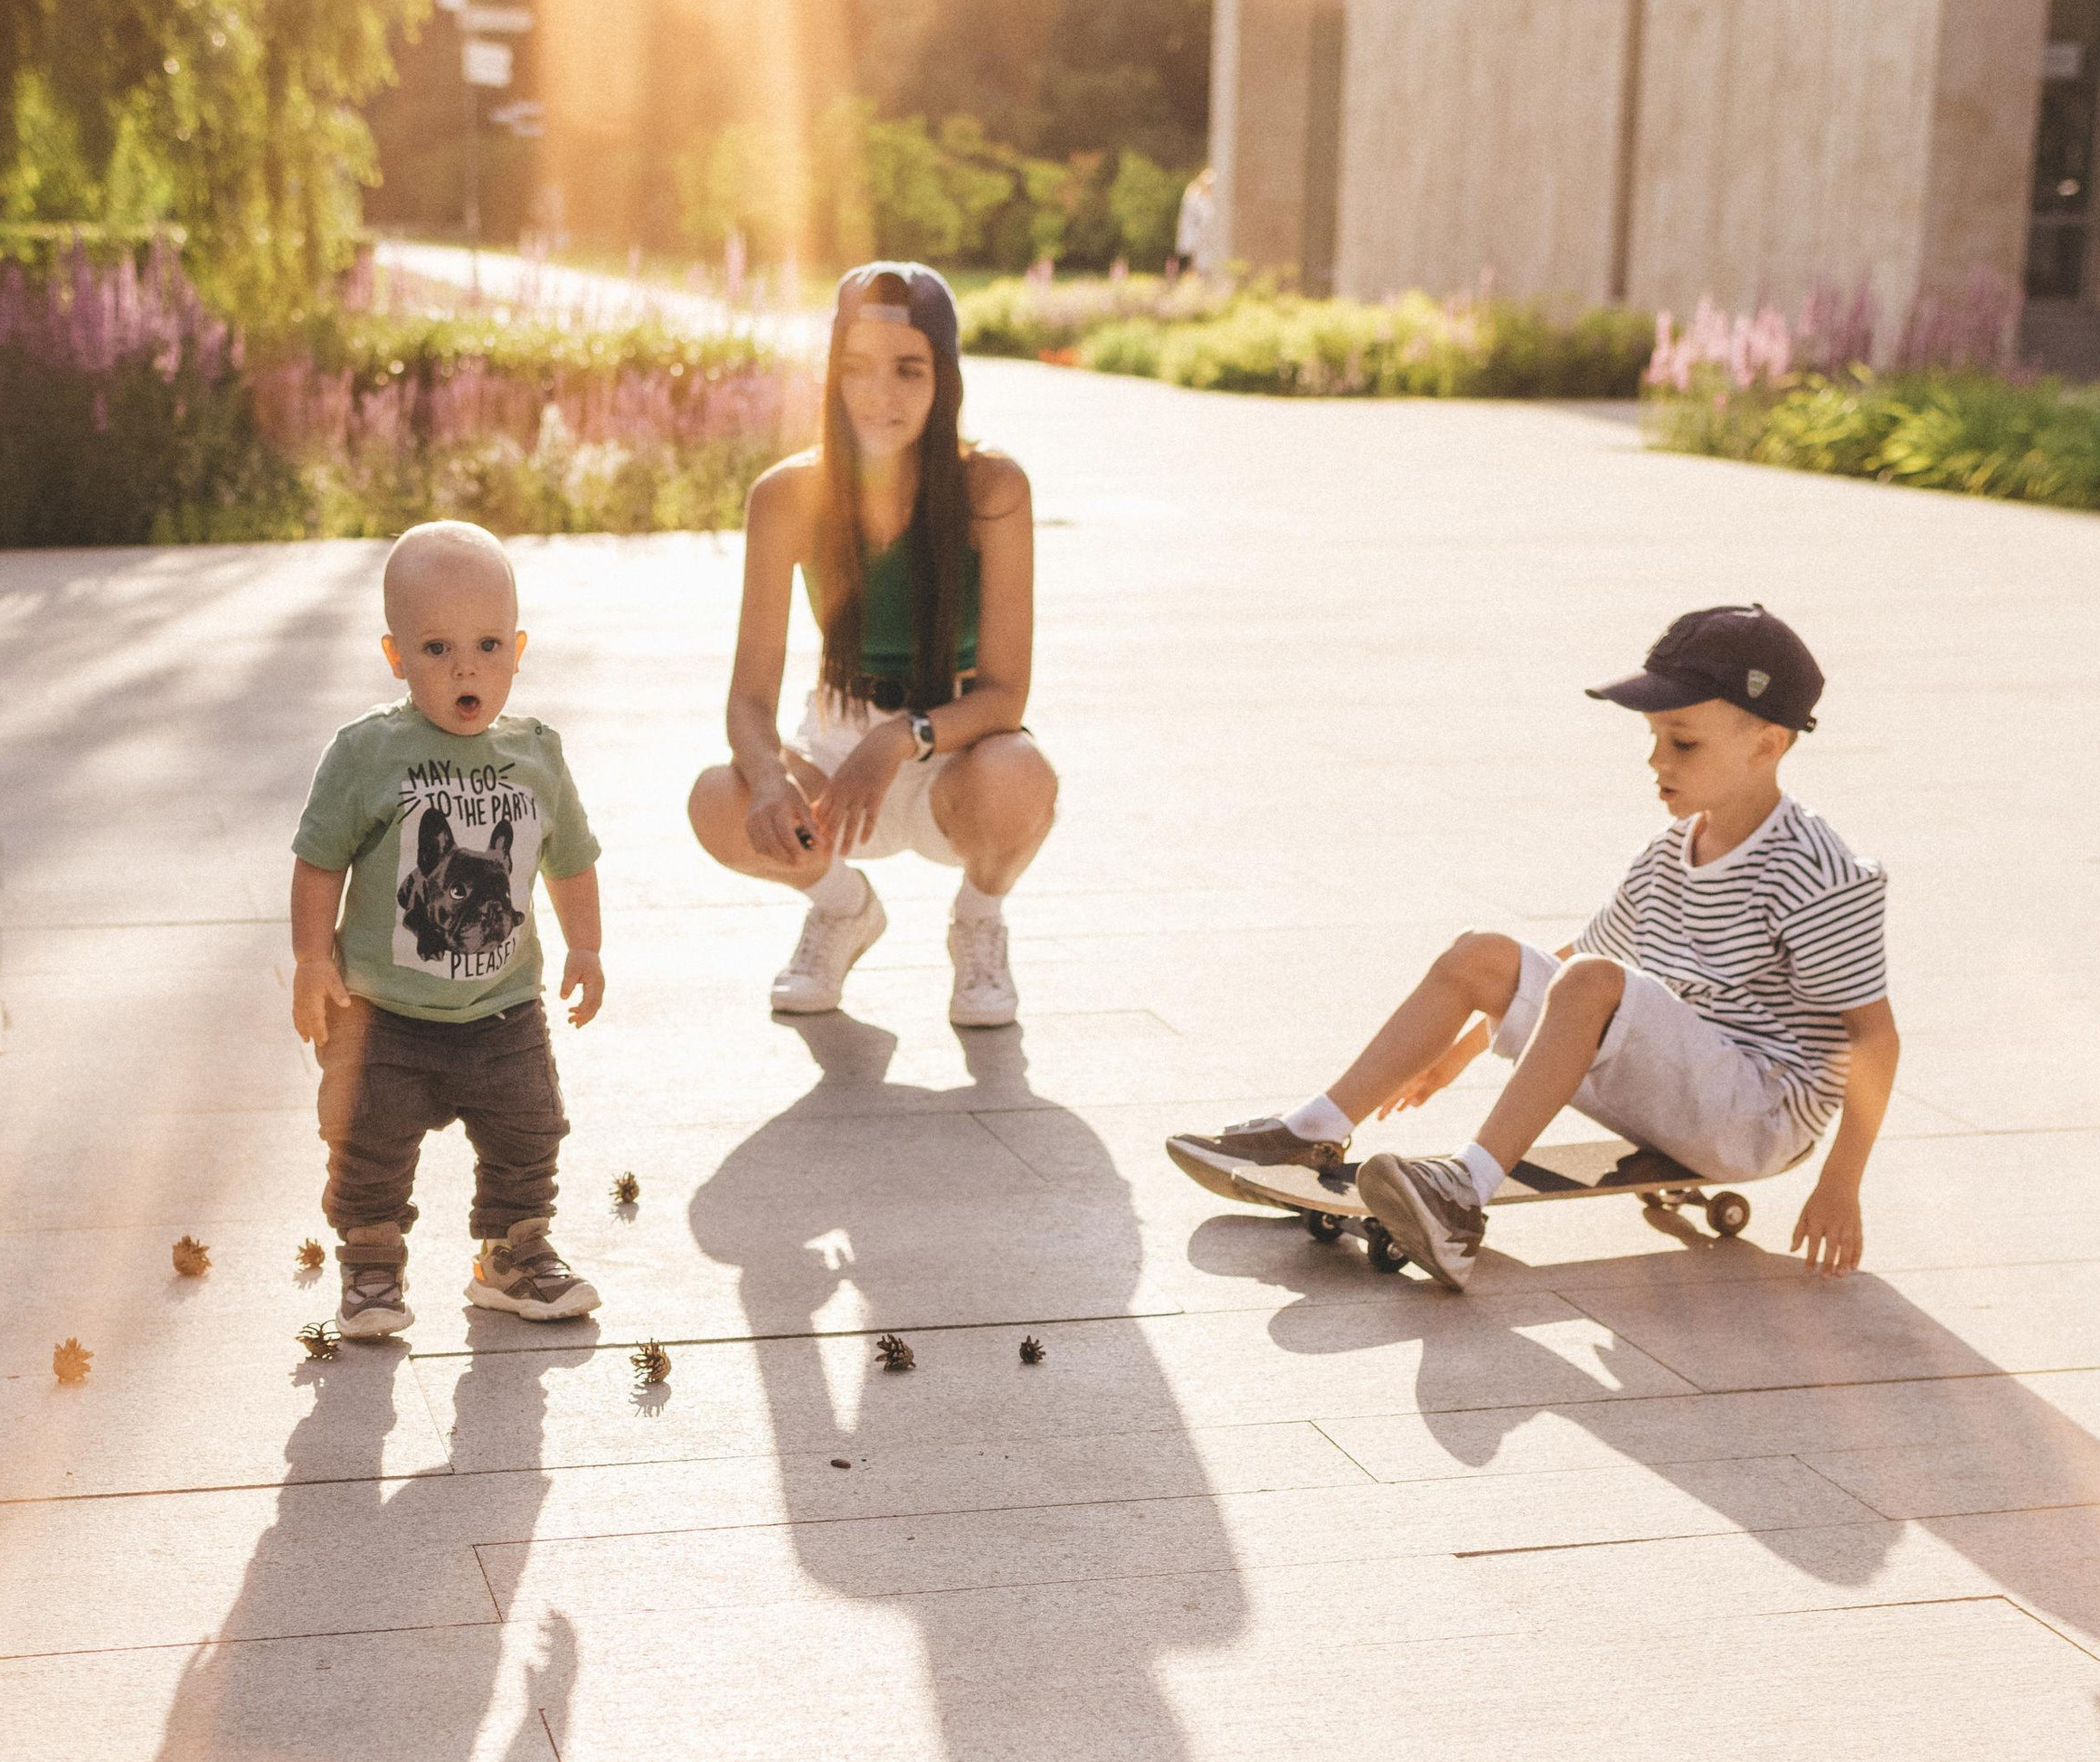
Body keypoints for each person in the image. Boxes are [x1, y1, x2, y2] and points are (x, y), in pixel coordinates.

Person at [1170, 602, 1898, 1290]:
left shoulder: (1817, 871)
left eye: (1682, 742)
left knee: (1592, 980)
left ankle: (1463, 1196)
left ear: (1768, 745)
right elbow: (1574, 960)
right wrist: (1456, 1048)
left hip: (1761, 1116)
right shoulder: (1674, 848)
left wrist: (1841, 1184)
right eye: (1651, 740)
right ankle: (1315, 1130)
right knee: (1480, 953)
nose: (1656, 761)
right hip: (1690, 1080)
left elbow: (1875, 1040)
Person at [687, 261, 1055, 1026]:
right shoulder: (787, 495)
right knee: (718, 799)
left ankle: (980, 924)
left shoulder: (994, 490)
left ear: (944, 378)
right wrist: (766, 777)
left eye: (908, 370)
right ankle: (842, 910)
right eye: (856, 369)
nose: (879, 395)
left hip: (952, 746)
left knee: (1022, 775)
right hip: (833, 746)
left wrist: (897, 741)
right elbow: (750, 697)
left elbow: (1005, 693)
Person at [290, 517, 605, 1340]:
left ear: (517, 649)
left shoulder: (536, 756)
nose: (467, 666)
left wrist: (587, 946)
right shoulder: (367, 753)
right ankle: (369, 1261)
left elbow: (570, 860)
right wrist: (309, 958)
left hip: (503, 1010)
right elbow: (319, 860)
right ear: (395, 656)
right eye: (436, 649)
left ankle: (513, 1251)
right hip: (380, 1014)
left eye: (489, 645)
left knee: (530, 1127)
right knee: (364, 1139)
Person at [1166, 161, 1216, 282]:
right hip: (1199, 236)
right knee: (1199, 262)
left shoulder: (1207, 199)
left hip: (1207, 237)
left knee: (1205, 261)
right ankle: (1197, 280)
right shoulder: (1194, 196)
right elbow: (1194, 220)